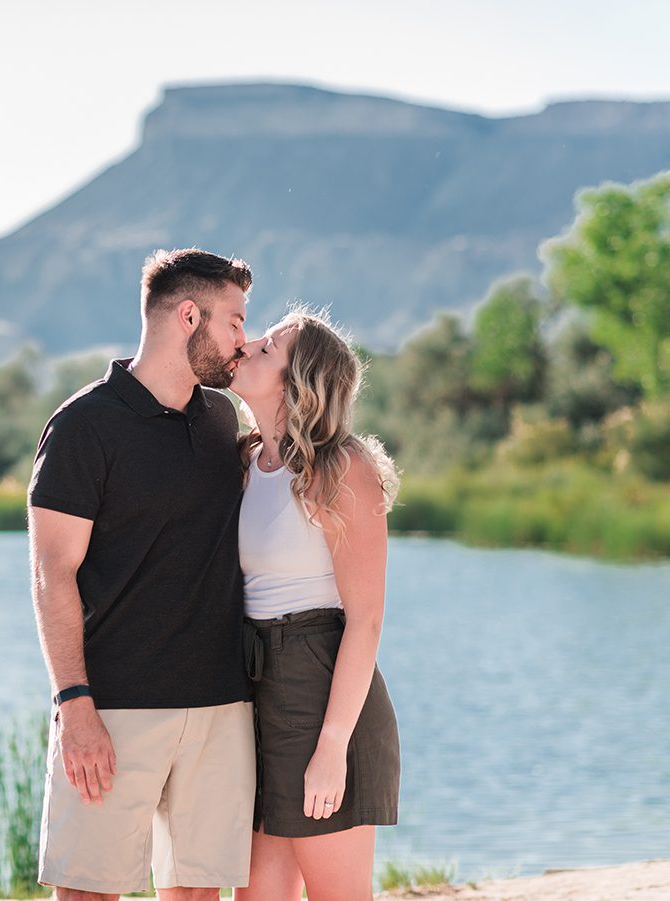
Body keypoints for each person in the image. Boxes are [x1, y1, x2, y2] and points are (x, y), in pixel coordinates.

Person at [27, 248, 256, 901]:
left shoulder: (220, 418)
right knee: (88, 892)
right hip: (115, 706)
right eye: (235, 321)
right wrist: (74, 704)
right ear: (190, 316)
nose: (245, 339)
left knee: (197, 893)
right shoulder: (82, 426)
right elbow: (52, 572)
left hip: (220, 704)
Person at [229, 306, 402, 901]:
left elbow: (366, 620)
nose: (248, 344)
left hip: (321, 689)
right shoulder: (243, 464)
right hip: (255, 691)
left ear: (297, 382)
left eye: (269, 347)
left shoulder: (342, 469)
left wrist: (331, 749)